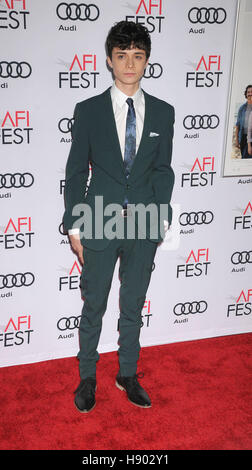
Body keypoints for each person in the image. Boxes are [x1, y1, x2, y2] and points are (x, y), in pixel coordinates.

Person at [63, 20, 175, 413]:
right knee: (94, 302)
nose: (130, 64)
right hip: (98, 219)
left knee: (133, 302)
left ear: (147, 61)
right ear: (109, 60)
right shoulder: (89, 110)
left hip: (144, 220)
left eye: (138, 56)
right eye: (122, 56)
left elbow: (164, 170)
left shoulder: (163, 112)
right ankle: (87, 376)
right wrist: (74, 224)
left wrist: (161, 217)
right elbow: (77, 170)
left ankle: (127, 373)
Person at [235, 84, 252, 159]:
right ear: (246, 94)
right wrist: (237, 140)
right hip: (243, 137)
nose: (250, 94)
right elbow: (237, 125)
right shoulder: (241, 108)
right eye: (248, 92)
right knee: (244, 158)